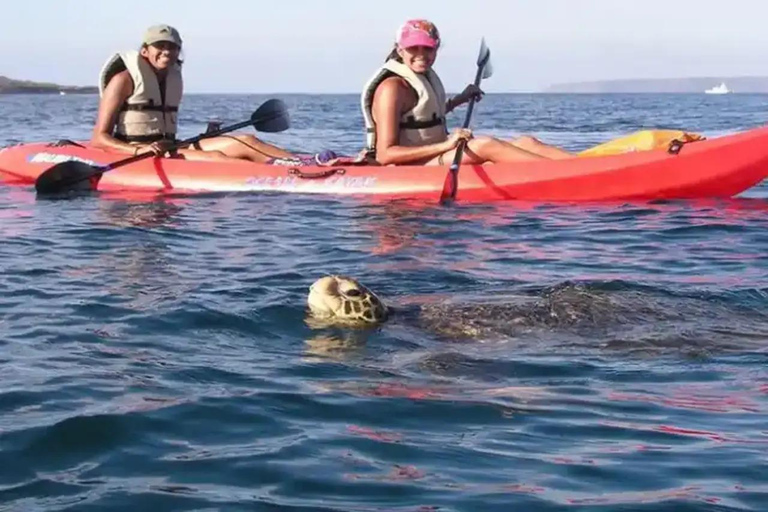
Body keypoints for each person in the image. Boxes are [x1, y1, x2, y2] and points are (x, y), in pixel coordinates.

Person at [361, 19, 574, 166]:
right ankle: (568, 176)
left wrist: (460, 99)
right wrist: (447, 144)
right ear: (400, 50)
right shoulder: (392, 88)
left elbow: (422, 117)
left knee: (527, 142)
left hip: (435, 155)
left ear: (436, 48)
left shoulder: (422, 78)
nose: (421, 54)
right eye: (413, 48)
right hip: (408, 167)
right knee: (485, 145)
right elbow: (385, 154)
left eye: (427, 48)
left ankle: (586, 165)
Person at [91, 24, 296, 163]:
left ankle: (305, 164)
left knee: (247, 140)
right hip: (139, 152)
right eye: (160, 46)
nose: (167, 51)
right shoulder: (122, 81)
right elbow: (99, 139)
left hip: (172, 147)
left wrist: (208, 135)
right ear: (145, 51)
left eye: (172, 47)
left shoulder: (173, 78)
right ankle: (286, 176)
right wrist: (138, 150)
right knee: (216, 157)